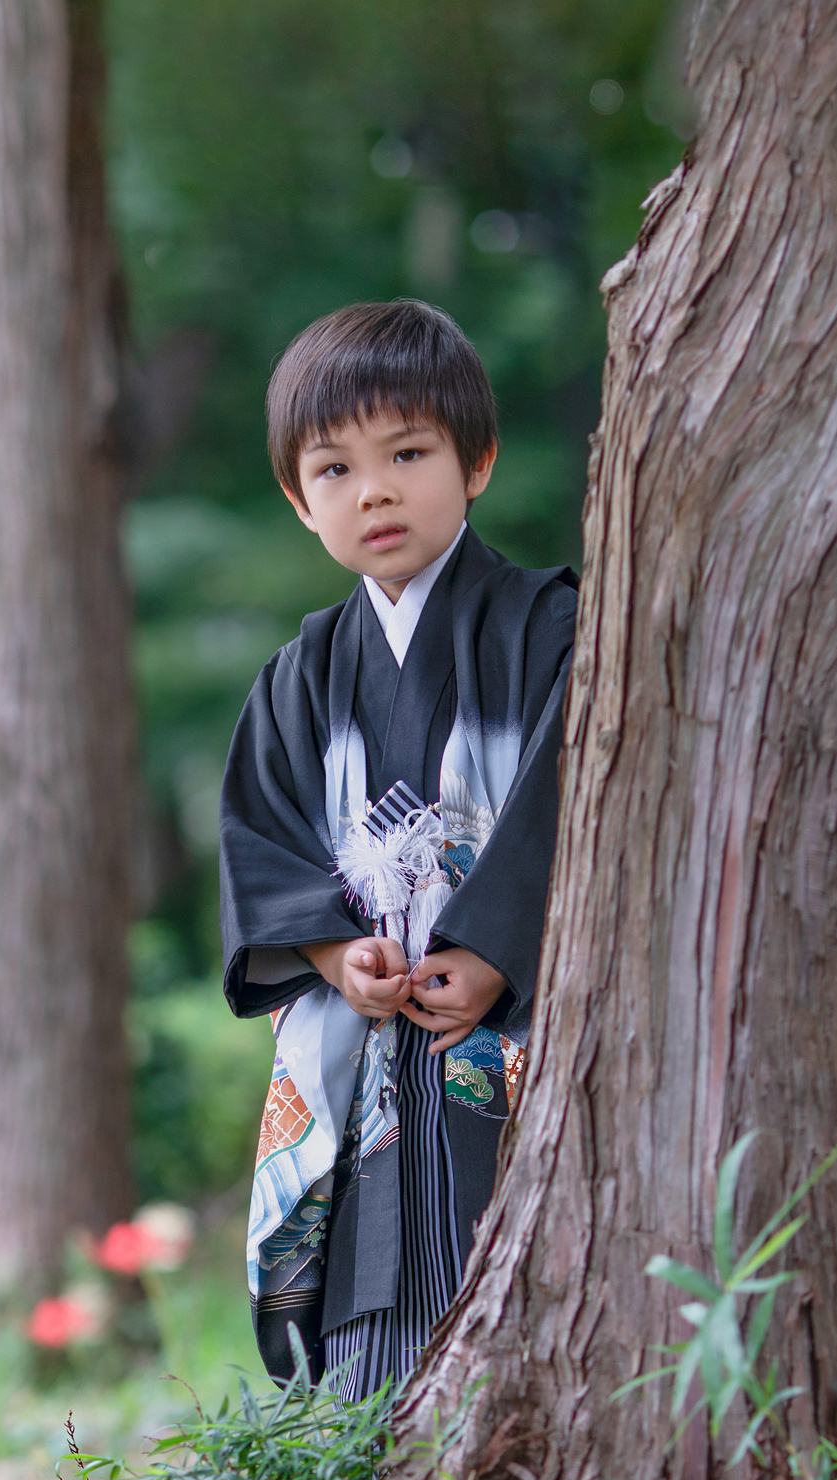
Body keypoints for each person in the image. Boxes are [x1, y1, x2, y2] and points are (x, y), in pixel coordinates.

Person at [219, 299, 578, 1401]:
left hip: (513, 1003)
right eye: (332, 469)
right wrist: (332, 954)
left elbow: (578, 789)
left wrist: (493, 943)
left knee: (508, 1218)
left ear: (477, 461)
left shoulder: (553, 627)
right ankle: (360, 1421)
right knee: (372, 1229)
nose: (371, 490)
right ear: (297, 501)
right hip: (371, 1014)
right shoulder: (301, 676)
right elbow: (262, 834)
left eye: (407, 453)